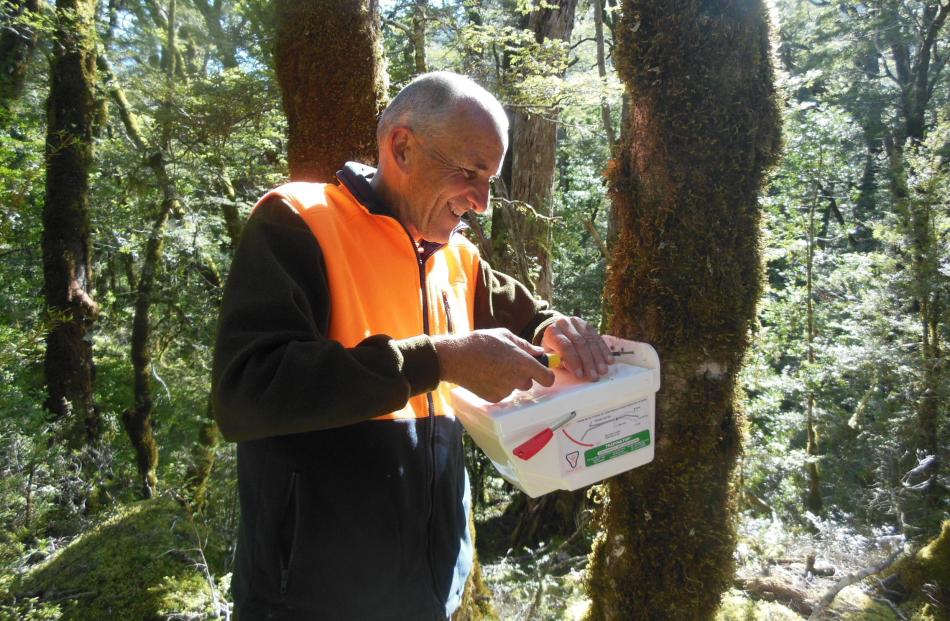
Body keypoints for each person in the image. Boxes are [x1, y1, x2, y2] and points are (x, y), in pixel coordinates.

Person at [212, 71, 613, 620]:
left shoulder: (456, 258)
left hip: (431, 594)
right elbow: (247, 388)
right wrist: (441, 359)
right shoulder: (299, 221)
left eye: (491, 180)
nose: (481, 200)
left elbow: (529, 316)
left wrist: (556, 328)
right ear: (401, 147)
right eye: (470, 173)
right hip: (310, 600)